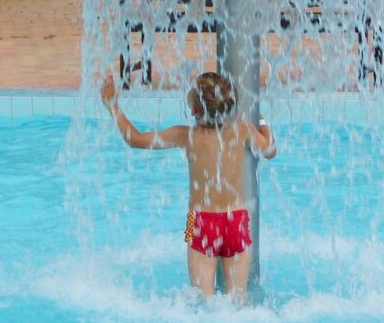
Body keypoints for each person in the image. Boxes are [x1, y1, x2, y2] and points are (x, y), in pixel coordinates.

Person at [100, 70, 277, 298]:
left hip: (200, 220)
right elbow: (270, 150)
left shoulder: (185, 135)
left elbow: (134, 139)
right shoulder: (241, 129)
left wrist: (112, 104)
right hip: (236, 219)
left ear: (193, 110)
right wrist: (260, 118)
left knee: (202, 301)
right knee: (238, 300)